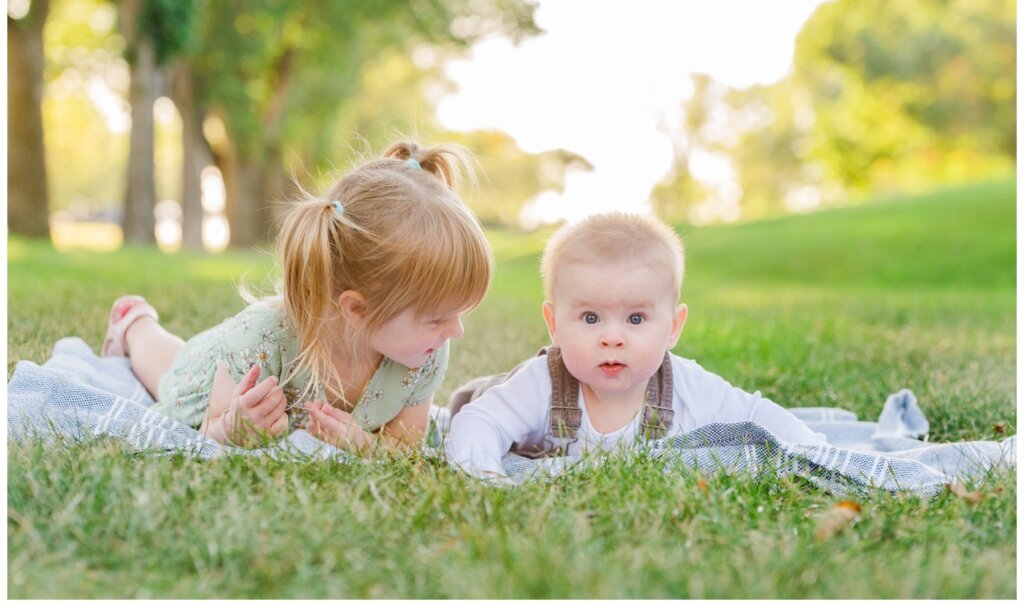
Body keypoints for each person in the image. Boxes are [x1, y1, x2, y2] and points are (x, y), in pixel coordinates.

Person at [101, 141, 492, 452]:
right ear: (356, 309)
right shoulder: (264, 337)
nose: (455, 331)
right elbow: (206, 433)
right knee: (167, 367)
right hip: (216, 373)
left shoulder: (423, 353)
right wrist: (231, 428)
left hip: (240, 359)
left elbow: (405, 451)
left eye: (457, 314)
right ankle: (134, 321)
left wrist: (364, 445)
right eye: (437, 318)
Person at [444, 211, 826, 478]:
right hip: (480, 398)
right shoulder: (541, 383)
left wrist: (815, 451)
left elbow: (755, 415)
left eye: (636, 319)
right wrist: (484, 473)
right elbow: (481, 421)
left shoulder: (687, 387)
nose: (613, 337)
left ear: (673, 327)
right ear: (554, 324)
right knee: (465, 410)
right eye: (591, 318)